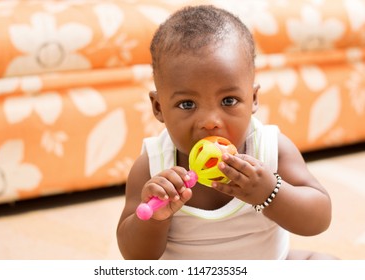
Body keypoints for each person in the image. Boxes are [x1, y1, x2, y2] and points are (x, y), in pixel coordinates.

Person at [117, 5, 336, 260]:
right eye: (187, 104)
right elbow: (135, 257)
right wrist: (154, 219)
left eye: (229, 101)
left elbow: (319, 219)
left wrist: (270, 191)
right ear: (158, 107)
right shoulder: (152, 167)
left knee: (325, 264)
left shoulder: (270, 149)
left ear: (253, 99)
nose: (210, 122)